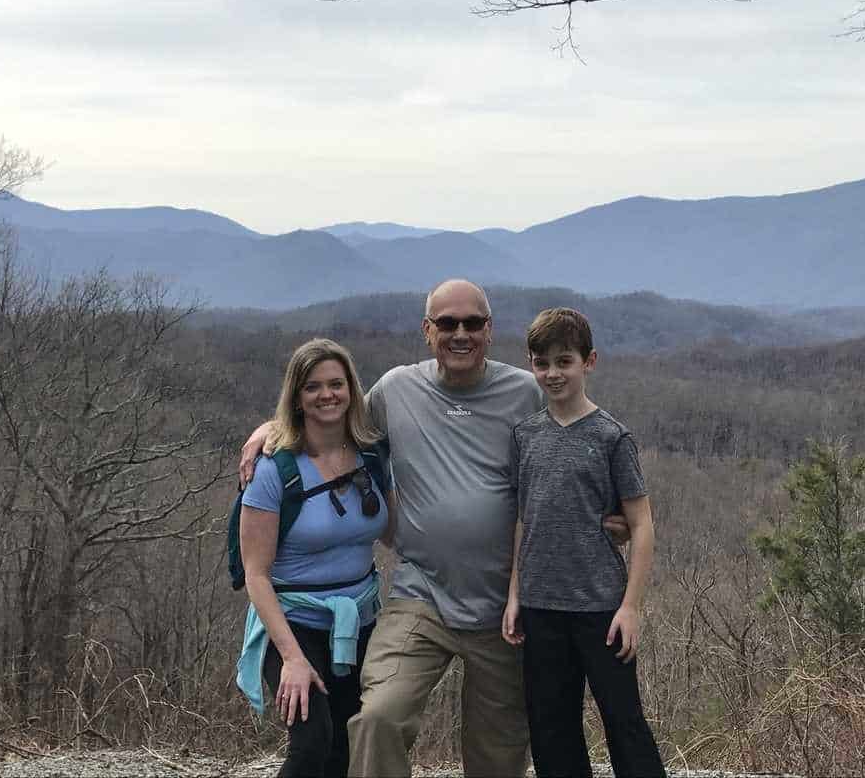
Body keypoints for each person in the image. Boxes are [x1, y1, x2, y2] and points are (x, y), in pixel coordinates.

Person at [241, 280, 629, 778]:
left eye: (473, 323)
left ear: (490, 330)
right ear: (428, 331)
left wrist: (606, 518)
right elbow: (332, 416)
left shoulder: (526, 392)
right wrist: (270, 430)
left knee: (497, 755)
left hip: (505, 609)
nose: (460, 334)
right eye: (447, 324)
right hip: (419, 595)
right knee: (377, 718)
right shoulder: (398, 390)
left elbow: (580, 439)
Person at [503, 307, 666, 778]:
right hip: (539, 606)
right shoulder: (524, 435)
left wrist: (631, 607)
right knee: (552, 730)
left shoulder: (611, 437)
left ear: (589, 361)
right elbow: (523, 520)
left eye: (564, 361)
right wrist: (515, 595)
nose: (552, 373)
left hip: (600, 607)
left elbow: (642, 523)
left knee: (624, 722)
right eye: (541, 362)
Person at [236, 338, 390, 778]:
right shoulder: (272, 471)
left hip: (358, 622)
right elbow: (256, 575)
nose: (327, 395)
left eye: (336, 384)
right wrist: (292, 659)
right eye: (313, 386)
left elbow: (397, 532)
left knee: (345, 747)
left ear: (352, 390)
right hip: (292, 624)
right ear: (297, 396)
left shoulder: (372, 456)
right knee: (311, 745)